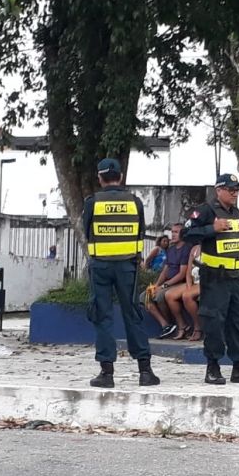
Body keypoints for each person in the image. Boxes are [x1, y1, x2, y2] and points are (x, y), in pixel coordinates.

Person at [82, 158, 159, 388]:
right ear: (121, 176)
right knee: (133, 314)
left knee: (102, 316)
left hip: (101, 266)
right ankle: (145, 371)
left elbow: (87, 232)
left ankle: (106, 373)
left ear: (100, 177)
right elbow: (141, 232)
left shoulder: (92, 202)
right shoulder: (135, 203)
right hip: (128, 267)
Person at [183, 173, 239, 384]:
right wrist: (212, 228)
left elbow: (237, 241)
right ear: (219, 190)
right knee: (214, 321)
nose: (235, 193)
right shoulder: (207, 210)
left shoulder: (236, 212)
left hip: (237, 276)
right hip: (215, 277)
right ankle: (213, 367)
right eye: (230, 189)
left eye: (237, 189)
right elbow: (186, 234)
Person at [143, 224, 191, 339]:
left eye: (176, 232)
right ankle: (166, 325)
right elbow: (165, 270)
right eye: (172, 232)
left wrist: (164, 286)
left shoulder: (186, 249)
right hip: (167, 283)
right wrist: (157, 285)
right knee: (146, 296)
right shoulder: (170, 249)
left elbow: (181, 274)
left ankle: (179, 325)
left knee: (160, 296)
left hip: (178, 283)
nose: (173, 235)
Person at [164, 243, 204, 341]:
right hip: (194, 281)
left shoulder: (213, 248)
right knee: (169, 295)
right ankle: (182, 326)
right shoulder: (194, 248)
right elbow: (188, 271)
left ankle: (198, 327)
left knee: (187, 296)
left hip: (205, 282)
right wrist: (189, 285)